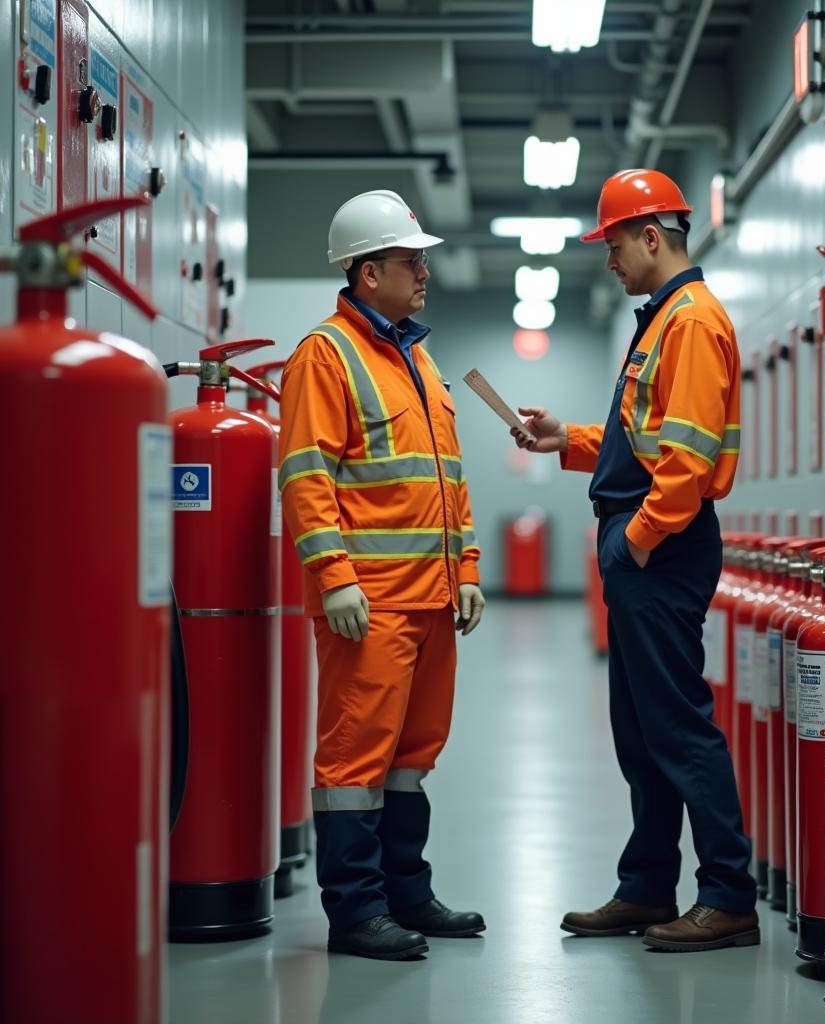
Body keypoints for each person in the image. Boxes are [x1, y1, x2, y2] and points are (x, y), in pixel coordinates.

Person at [514, 169, 757, 952]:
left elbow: (682, 464)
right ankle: (647, 887)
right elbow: (640, 441)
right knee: (640, 730)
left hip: (662, 548)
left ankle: (727, 895)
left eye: (614, 244)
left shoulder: (689, 322)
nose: (609, 260)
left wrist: (636, 542)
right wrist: (568, 440)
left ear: (651, 237)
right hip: (645, 545)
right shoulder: (662, 321)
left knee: (680, 728)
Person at [279, 189, 486, 961]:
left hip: (432, 601)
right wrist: (333, 578)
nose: (423, 270)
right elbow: (306, 477)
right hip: (368, 603)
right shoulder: (325, 356)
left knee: (411, 759)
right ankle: (356, 913)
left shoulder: (417, 357)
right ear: (368, 273)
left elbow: (449, 480)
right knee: (354, 764)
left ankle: (407, 894)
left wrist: (465, 567)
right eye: (409, 259)